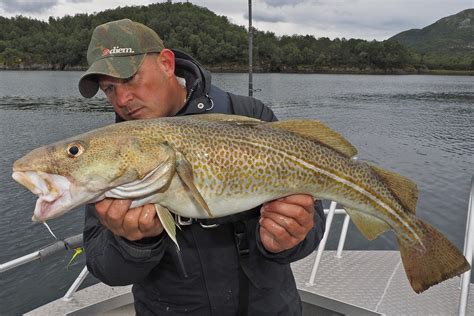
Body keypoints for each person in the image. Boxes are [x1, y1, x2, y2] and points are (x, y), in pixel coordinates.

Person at [79, 19, 326, 316]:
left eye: (130, 79)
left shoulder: (248, 114)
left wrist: (289, 238)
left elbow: (313, 223)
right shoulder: (109, 154)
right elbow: (105, 267)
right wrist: (135, 244)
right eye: (108, 88)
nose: (122, 99)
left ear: (167, 63)